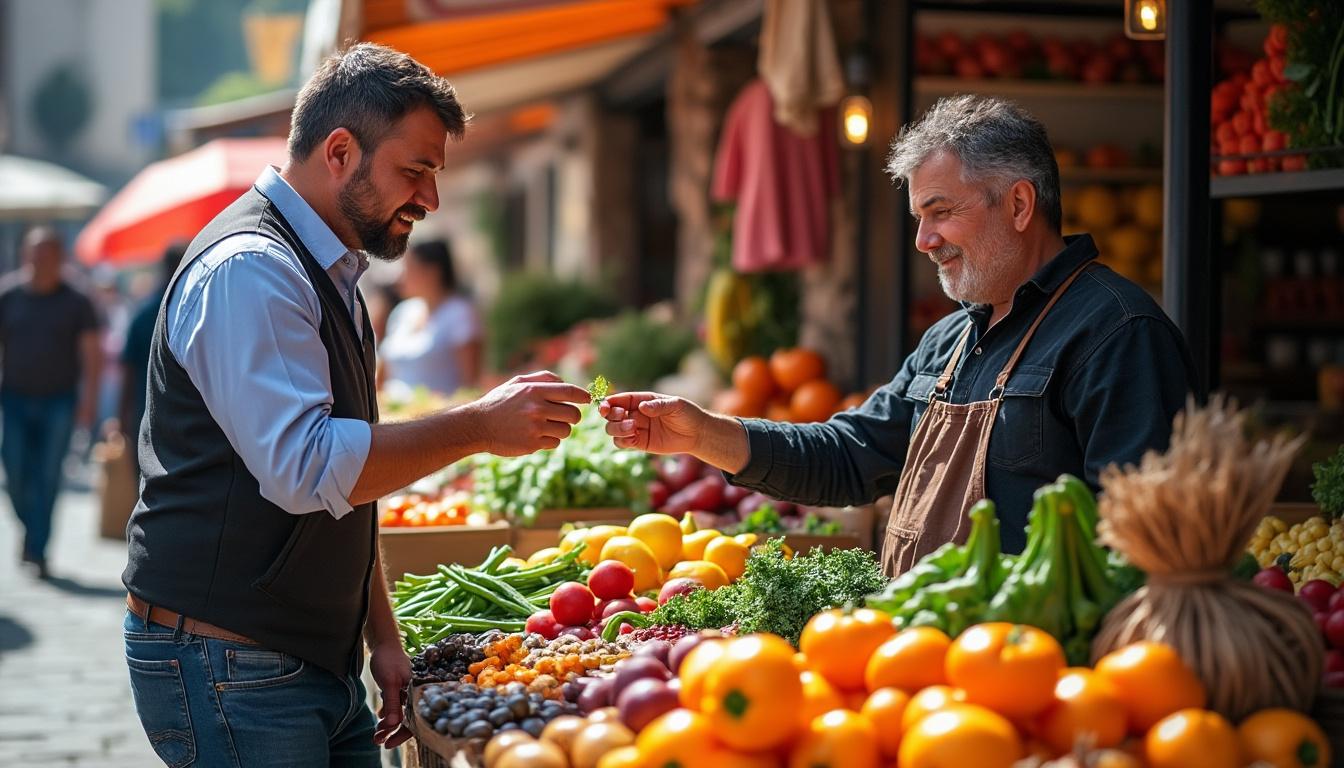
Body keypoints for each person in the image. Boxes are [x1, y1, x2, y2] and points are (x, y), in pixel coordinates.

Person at [121, 43, 590, 767]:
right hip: (232, 664)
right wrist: (477, 426)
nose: (430, 200)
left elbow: (343, 483)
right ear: (340, 151)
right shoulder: (253, 270)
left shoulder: (329, 270)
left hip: (305, 660)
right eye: (416, 171)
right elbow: (309, 469)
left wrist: (381, 633)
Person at [601, 95, 1195, 575]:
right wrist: (705, 433)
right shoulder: (950, 340)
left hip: (1034, 673)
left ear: (1018, 204)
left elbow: (1139, 548)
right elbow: (847, 456)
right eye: (919, 219)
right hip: (919, 669)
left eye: (941, 212)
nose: (923, 241)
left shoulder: (1118, 333)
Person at [0, 227, 102, 579]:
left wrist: (89, 403)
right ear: (25, 256)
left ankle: (38, 548)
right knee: (14, 474)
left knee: (46, 476)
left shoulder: (77, 301)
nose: (40, 260)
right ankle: (31, 530)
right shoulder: (8, 295)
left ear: (61, 258)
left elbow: (92, 356)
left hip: (59, 400)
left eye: (48, 254)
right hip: (12, 399)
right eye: (35, 253)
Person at [118, 240, 187, 475]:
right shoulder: (196, 310)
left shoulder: (143, 313)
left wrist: (122, 417)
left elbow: (127, 371)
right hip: (184, 413)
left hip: (145, 410)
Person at [379, 238, 481, 395]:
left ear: (433, 272)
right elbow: (383, 374)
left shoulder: (461, 314)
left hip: (440, 416)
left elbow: (470, 384)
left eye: (409, 268)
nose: (400, 277)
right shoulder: (402, 311)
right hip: (394, 415)